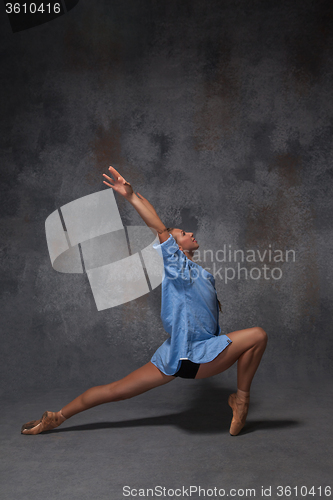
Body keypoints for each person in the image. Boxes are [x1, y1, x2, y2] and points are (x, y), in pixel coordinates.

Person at [21, 166, 267, 437]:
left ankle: (57, 417)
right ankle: (241, 401)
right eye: (183, 233)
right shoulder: (176, 265)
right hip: (193, 356)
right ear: (177, 247)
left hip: (176, 355)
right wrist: (131, 196)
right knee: (257, 335)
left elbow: (163, 232)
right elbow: (159, 228)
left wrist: (137, 194)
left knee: (116, 390)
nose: (190, 234)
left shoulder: (200, 273)